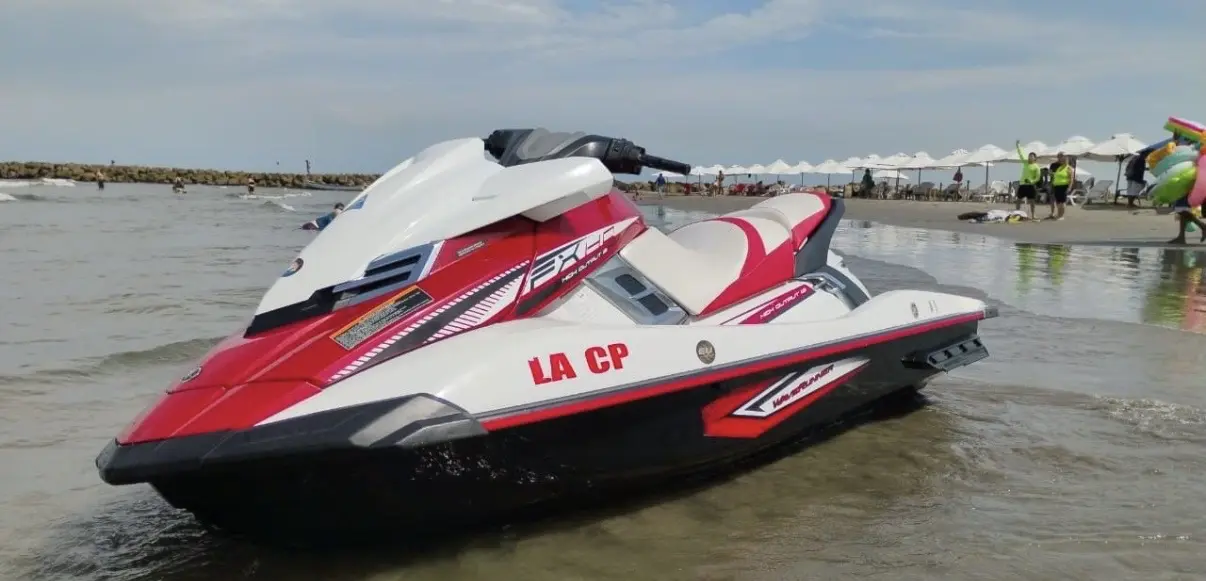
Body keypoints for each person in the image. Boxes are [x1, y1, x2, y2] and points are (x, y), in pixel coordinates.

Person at [1014, 140, 1040, 219]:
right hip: (1022, 185)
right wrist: (1018, 145)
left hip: (1030, 186)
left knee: (1032, 201)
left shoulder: (1036, 167)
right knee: (1018, 200)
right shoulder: (1025, 163)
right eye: (1029, 156)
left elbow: (1038, 177)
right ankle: (1017, 214)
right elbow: (1020, 154)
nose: (1030, 157)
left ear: (1035, 158)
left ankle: (1033, 215)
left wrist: (1031, 181)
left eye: (1032, 156)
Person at [1047, 152, 1073, 220]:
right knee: (1058, 202)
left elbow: (1071, 179)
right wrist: (1051, 174)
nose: (1063, 161)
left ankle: (1061, 216)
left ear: (1068, 161)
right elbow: (1055, 175)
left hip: (1063, 186)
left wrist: (1069, 187)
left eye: (1065, 160)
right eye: (1062, 160)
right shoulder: (1059, 167)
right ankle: (1058, 215)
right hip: (1056, 186)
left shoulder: (1069, 168)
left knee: (1062, 202)